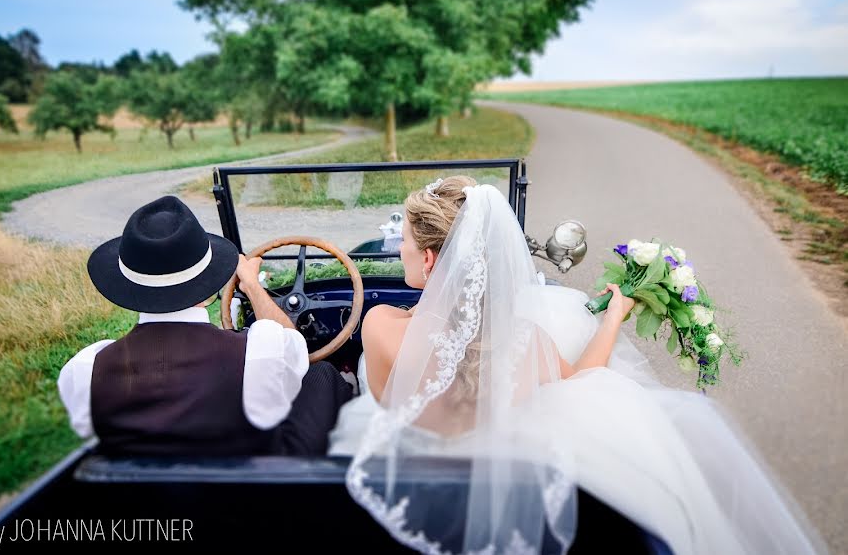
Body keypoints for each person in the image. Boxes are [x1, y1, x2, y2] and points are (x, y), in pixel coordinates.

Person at [332, 177, 827, 554]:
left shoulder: (378, 324)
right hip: (503, 506)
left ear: (434, 258)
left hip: (403, 494)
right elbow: (588, 381)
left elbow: (420, 350)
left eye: (406, 243)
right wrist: (613, 318)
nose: (399, 248)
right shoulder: (526, 347)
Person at [58, 195, 352, 457]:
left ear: (129, 290)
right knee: (320, 373)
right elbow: (292, 342)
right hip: (256, 499)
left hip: (150, 510)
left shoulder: (85, 371)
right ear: (210, 290)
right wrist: (250, 283)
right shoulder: (259, 353)